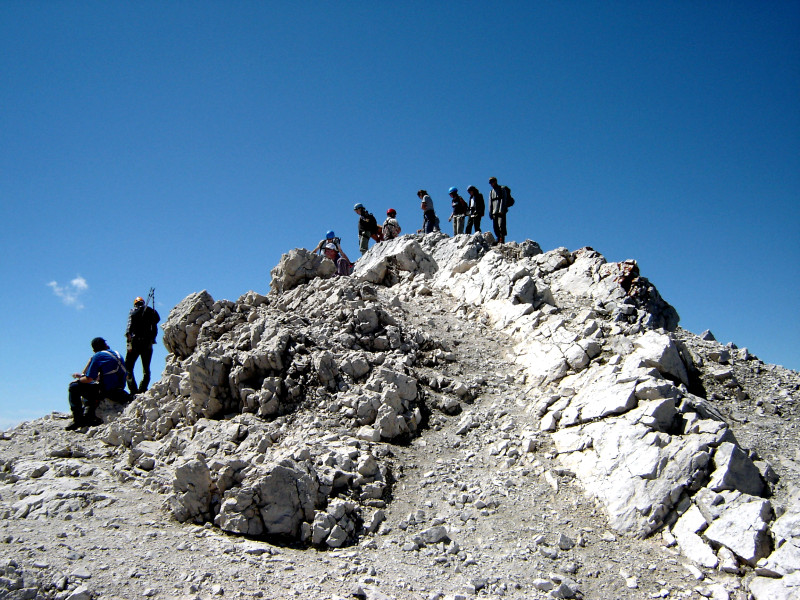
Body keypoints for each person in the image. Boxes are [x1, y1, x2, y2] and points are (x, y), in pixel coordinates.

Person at [67, 337, 128, 430]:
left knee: (74, 387)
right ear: (105, 344)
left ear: (94, 349)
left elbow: (88, 378)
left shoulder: (98, 356)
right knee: (92, 387)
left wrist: (78, 380)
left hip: (108, 391)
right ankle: (88, 414)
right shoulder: (116, 354)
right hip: (119, 389)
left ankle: (78, 420)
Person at [125, 296, 161, 394]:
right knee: (146, 368)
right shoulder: (151, 312)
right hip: (148, 342)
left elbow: (129, 329)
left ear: (135, 304)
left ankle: (133, 390)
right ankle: (143, 388)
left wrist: (128, 344)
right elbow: (157, 320)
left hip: (135, 341)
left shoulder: (133, 312)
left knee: (128, 367)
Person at [488, 177, 510, 243]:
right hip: (494, 211)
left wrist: (501, 210)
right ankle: (498, 238)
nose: (491, 184)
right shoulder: (491, 192)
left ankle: (501, 239)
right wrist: (490, 212)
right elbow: (490, 202)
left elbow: (504, 199)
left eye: (492, 182)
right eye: (490, 183)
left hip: (501, 211)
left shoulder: (502, 189)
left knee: (501, 225)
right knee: (495, 226)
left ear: (495, 181)